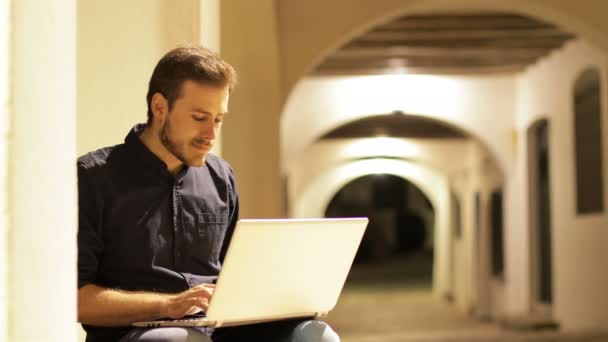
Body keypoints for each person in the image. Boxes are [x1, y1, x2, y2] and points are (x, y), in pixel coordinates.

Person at [77, 45, 340, 342]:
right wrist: (169, 305)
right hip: (139, 334)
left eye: (218, 120)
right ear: (159, 107)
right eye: (200, 118)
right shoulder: (93, 177)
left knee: (314, 335)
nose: (211, 135)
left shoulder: (220, 177)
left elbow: (233, 277)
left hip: (215, 328)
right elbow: (75, 297)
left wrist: (286, 301)